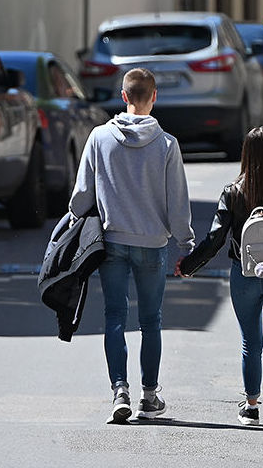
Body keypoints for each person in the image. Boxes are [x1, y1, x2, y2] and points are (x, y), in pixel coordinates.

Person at [69, 67, 194, 423]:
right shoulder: (167, 144)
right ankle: (149, 396)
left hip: (111, 242)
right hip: (153, 244)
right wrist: (186, 243)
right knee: (151, 320)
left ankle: (119, 391)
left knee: (114, 317)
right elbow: (177, 201)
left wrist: (77, 215)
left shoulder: (98, 138)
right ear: (154, 97)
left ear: (123, 97)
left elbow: (81, 198)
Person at [179, 126, 263, 432]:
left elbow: (214, 240)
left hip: (244, 275)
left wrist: (188, 265)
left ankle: (252, 407)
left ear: (245, 155)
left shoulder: (233, 192)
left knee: (251, 343)